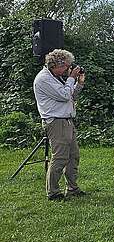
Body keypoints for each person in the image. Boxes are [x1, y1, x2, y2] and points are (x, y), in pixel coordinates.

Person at [33, 49, 86, 201]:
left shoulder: (56, 77)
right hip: (56, 122)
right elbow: (64, 95)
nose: (69, 69)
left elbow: (71, 96)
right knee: (60, 158)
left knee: (73, 156)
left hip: (67, 121)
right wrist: (71, 78)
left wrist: (79, 83)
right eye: (67, 66)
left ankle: (72, 188)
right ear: (57, 64)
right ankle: (53, 192)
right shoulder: (44, 79)